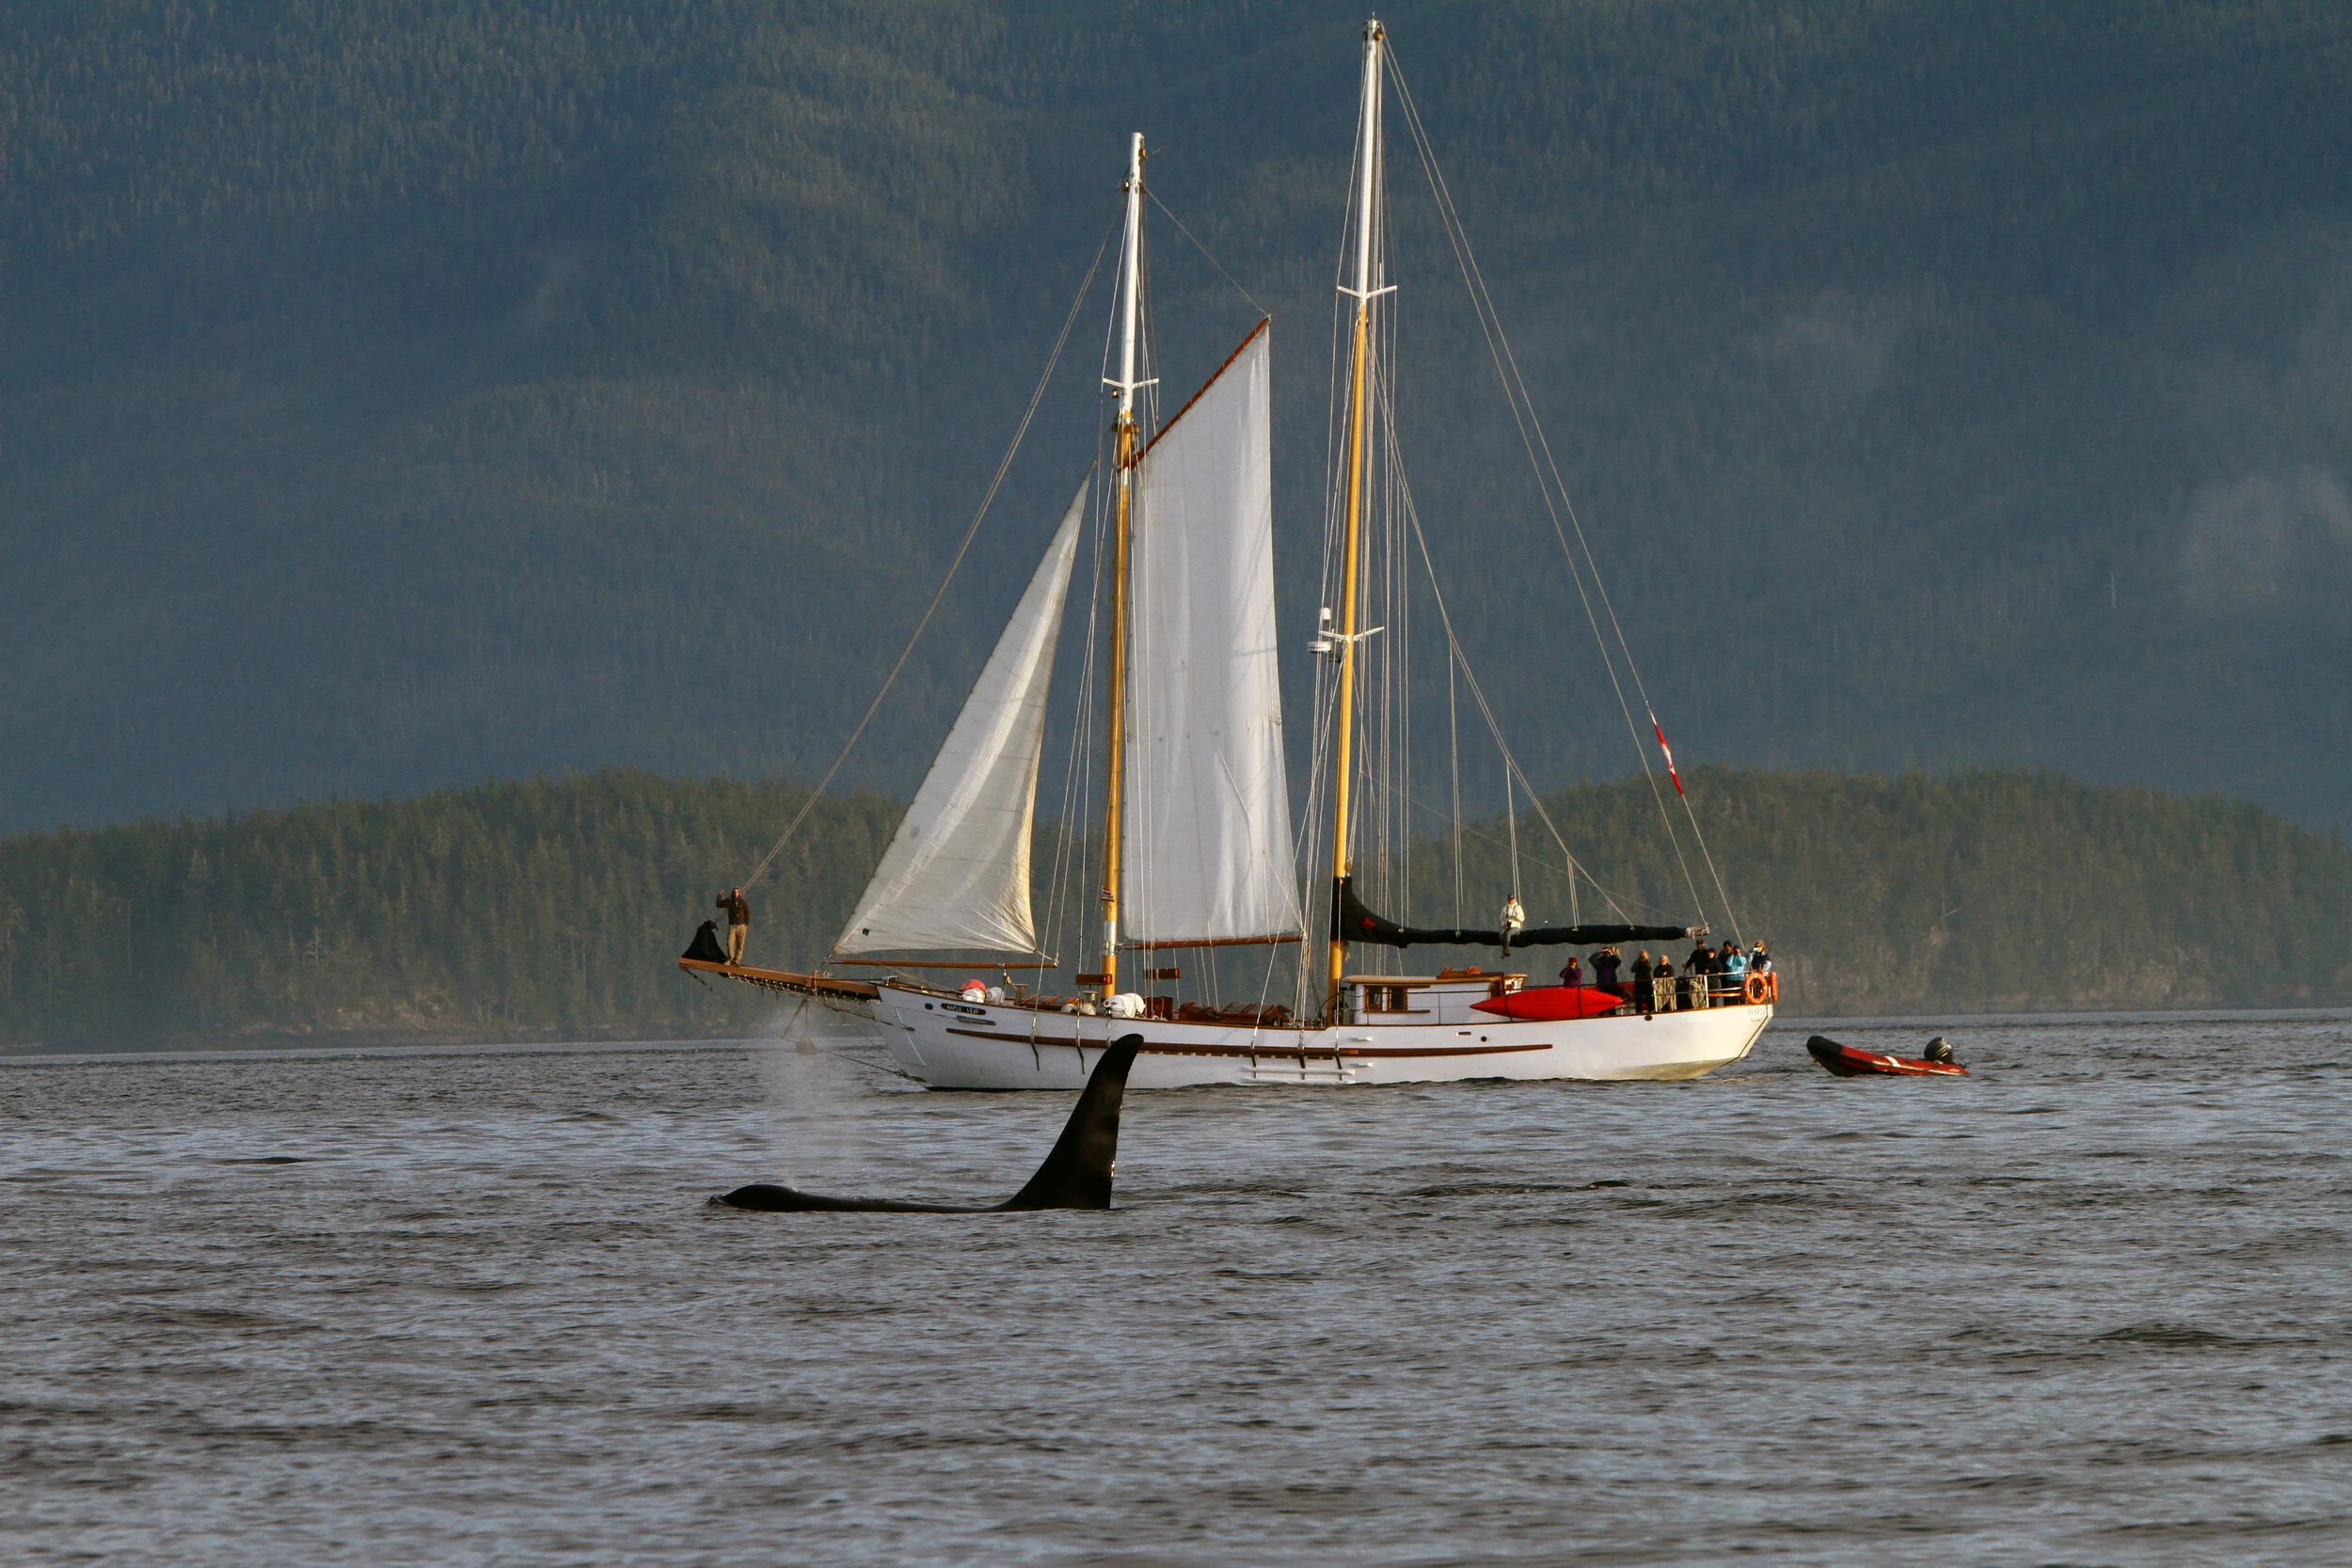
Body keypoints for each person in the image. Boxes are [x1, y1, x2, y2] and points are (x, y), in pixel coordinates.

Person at [717, 886, 750, 965]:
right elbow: (719, 904)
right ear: (732, 893)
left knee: (740, 944)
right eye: (734, 892)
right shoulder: (729, 901)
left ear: (739, 893)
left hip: (742, 925)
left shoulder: (743, 902)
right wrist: (719, 895)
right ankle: (730, 958)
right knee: (729, 942)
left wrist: (746, 924)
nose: (736, 893)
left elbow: (747, 912)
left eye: (737, 892)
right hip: (732, 925)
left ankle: (737, 960)